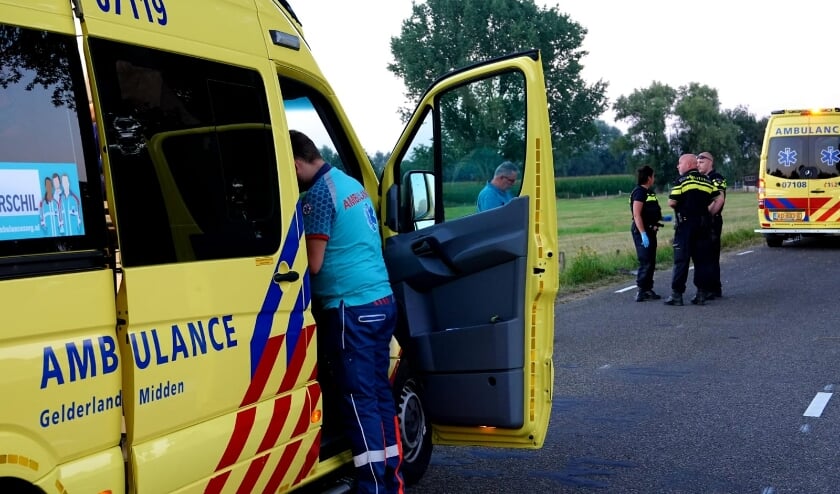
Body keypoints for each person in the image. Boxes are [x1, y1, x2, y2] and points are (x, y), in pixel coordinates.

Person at [290, 130, 404, 494]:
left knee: (359, 400)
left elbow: (313, 264)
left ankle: (372, 486)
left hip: (350, 309)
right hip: (381, 302)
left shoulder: (317, 196)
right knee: (379, 393)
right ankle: (392, 479)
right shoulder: (349, 183)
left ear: (295, 164)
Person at [664, 154, 720, 306]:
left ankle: (677, 295)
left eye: (680, 163)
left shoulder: (682, 180)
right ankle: (701, 294)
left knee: (681, 259)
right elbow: (718, 198)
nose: (678, 166)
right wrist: (709, 213)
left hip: (686, 225)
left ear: (688, 164)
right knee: (701, 260)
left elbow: (672, 202)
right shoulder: (707, 180)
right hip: (703, 225)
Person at [630, 165, 664, 302]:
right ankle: (641, 290)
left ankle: (648, 289)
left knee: (651, 260)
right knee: (645, 260)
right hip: (642, 231)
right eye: (653, 176)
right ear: (649, 178)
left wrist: (660, 219)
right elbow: (637, 215)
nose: (654, 178)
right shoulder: (639, 192)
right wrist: (643, 233)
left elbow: (650, 212)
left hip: (650, 230)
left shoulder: (649, 192)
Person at [696, 151, 726, 299]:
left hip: (712, 221)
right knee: (705, 255)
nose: (698, 165)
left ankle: (713, 288)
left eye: (701, 162)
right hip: (705, 221)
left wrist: (708, 216)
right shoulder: (702, 178)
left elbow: (719, 199)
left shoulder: (716, 178)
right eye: (697, 162)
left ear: (710, 162)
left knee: (711, 255)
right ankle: (711, 287)